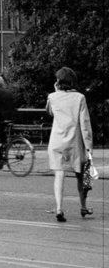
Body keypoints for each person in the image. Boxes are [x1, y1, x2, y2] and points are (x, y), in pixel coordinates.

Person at [45, 66, 94, 222]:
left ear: (58, 81)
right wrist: (89, 147)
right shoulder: (79, 98)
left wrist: (54, 92)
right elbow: (84, 124)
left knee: (59, 175)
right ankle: (83, 206)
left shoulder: (52, 97)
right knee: (81, 176)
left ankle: (59, 208)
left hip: (57, 142)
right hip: (74, 143)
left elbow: (50, 113)